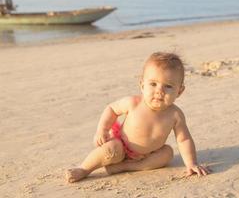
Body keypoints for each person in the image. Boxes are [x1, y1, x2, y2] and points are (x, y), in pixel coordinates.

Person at [65, 52, 211, 183]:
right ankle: (84, 169)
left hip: (149, 154)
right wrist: (102, 129)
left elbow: (183, 139)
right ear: (142, 85)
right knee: (110, 150)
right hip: (122, 146)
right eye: (153, 84)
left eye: (168, 86)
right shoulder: (133, 103)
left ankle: (127, 166)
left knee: (167, 154)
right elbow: (111, 109)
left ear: (179, 91)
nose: (159, 91)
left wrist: (191, 163)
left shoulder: (175, 115)